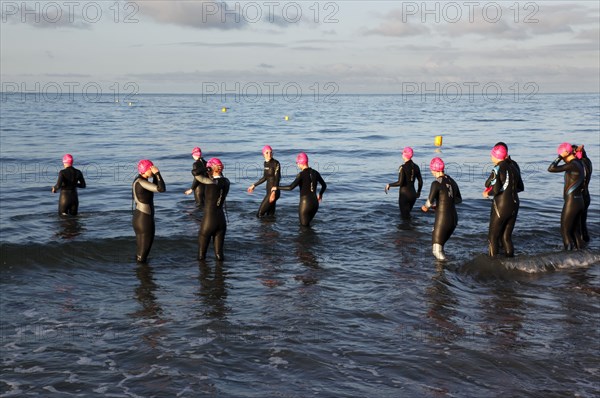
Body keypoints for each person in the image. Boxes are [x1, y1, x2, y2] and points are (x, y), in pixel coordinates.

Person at [483, 144, 524, 257]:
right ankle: (511, 263)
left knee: (492, 237)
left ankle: (493, 265)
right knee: (506, 237)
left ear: (495, 156)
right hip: (515, 204)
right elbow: (521, 187)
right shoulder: (514, 166)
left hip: (502, 205)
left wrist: (487, 193)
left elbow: (495, 189)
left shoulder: (498, 168)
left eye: (492, 155)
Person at [421, 157, 462, 261]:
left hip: (442, 221)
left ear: (433, 169)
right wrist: (444, 203)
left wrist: (425, 207)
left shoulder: (436, 183)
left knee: (436, 250)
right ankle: (444, 270)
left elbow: (429, 203)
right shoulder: (451, 180)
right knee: (441, 247)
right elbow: (459, 199)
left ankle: (445, 270)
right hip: (454, 220)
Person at [272, 152, 327, 227]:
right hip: (315, 203)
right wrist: (320, 194)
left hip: (305, 204)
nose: (297, 165)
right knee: (308, 227)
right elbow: (324, 185)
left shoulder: (301, 175)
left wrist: (277, 187)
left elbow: (290, 187)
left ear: (301, 163)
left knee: (304, 229)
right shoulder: (315, 173)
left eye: (297, 163)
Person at [548, 142, 585, 250]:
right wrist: (576, 151)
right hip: (580, 202)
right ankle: (582, 259)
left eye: (563, 155)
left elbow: (551, 168)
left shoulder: (572, 164)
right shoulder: (579, 163)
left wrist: (559, 157)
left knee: (565, 232)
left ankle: (568, 260)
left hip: (571, 203)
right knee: (575, 232)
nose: (563, 159)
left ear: (565, 154)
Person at [132, 159, 166, 263]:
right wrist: (157, 173)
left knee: (140, 252)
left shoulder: (139, 180)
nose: (152, 169)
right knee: (143, 253)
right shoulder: (142, 182)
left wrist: (155, 175)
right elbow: (161, 189)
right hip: (144, 220)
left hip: (139, 218)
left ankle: (139, 272)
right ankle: (144, 275)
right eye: (150, 168)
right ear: (145, 170)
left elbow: (155, 187)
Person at [196, 158, 230, 261]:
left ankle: (203, 276)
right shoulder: (227, 181)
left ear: (212, 168)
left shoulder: (210, 182)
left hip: (209, 221)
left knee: (201, 255)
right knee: (219, 254)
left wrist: (206, 168)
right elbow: (219, 181)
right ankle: (221, 275)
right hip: (221, 221)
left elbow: (195, 173)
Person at [385, 146, 423, 219]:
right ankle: (411, 229)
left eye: (402, 153)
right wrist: (418, 192)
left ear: (404, 155)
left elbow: (400, 182)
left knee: (404, 218)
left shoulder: (402, 167)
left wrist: (389, 185)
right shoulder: (416, 167)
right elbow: (420, 181)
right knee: (408, 215)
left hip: (404, 195)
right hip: (413, 195)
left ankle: (405, 229)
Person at [247, 145, 281, 217]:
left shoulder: (276, 163)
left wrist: (273, 192)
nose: (269, 154)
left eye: (271, 152)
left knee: (259, 214)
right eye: (267, 153)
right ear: (263, 154)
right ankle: (269, 228)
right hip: (269, 191)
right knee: (270, 215)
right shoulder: (265, 163)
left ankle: (260, 228)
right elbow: (265, 177)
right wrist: (254, 185)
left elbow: (278, 178)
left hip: (274, 191)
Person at [574, 144, 592, 242]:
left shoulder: (578, 165)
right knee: (583, 223)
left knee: (577, 224)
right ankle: (586, 246)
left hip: (579, 197)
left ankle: (578, 250)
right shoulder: (588, 162)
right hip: (586, 195)